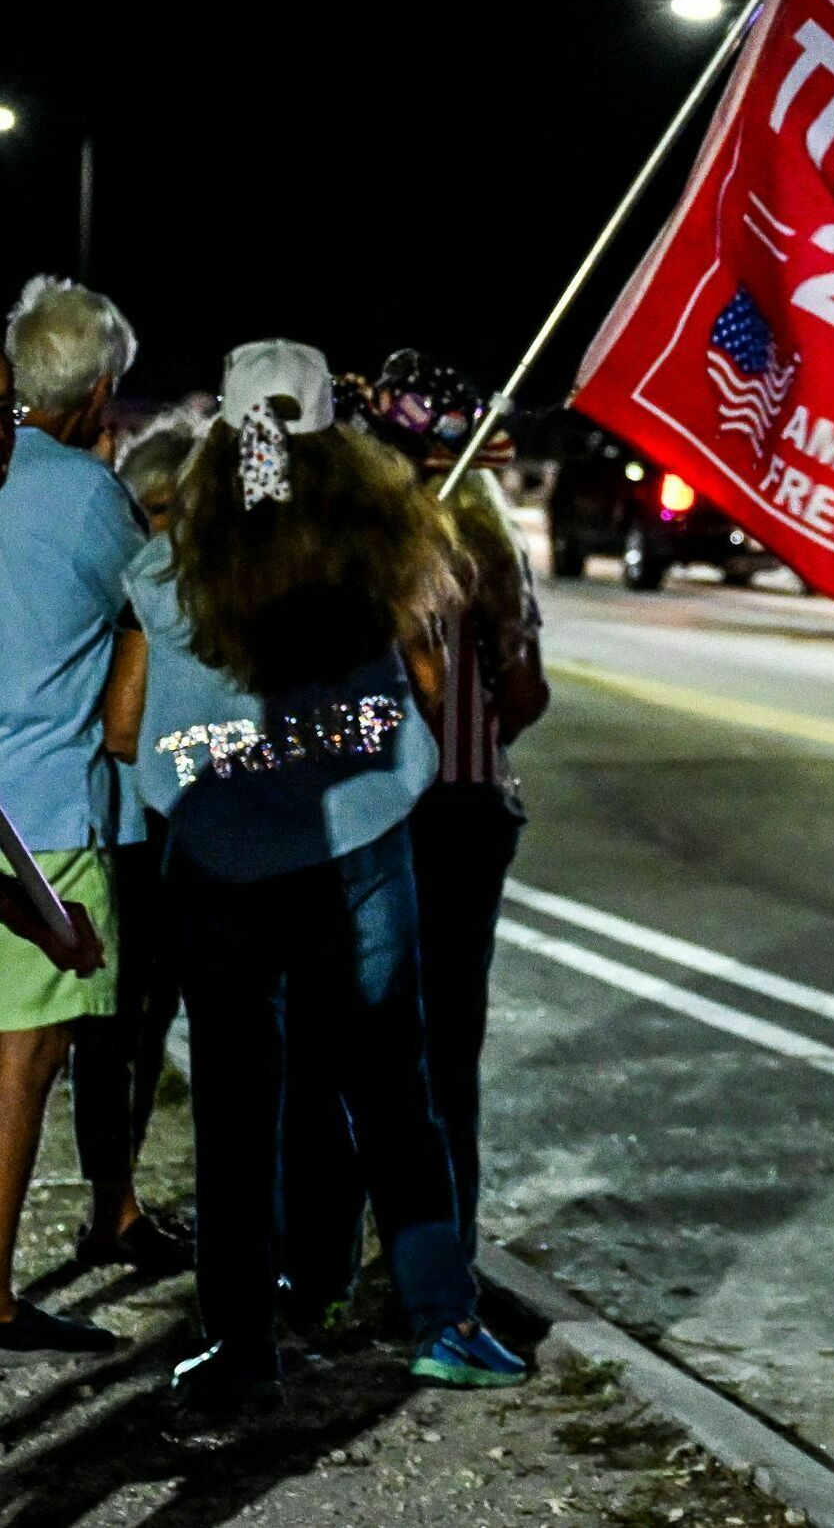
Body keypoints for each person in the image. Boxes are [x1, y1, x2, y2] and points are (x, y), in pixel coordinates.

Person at [120, 340, 526, 1418]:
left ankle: (245, 1341)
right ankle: (444, 1317)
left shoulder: (168, 568)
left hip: (219, 861)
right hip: (358, 844)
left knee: (238, 1103)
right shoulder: (374, 553)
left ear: (221, 444)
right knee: (396, 1084)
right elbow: (434, 686)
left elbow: (133, 723)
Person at [280, 353, 550, 1311]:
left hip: (397, 812)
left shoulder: (382, 548)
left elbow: (417, 702)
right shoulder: (491, 542)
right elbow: (524, 695)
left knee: (353, 1045)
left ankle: (329, 1259)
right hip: (477, 813)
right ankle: (442, 1256)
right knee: (448, 1052)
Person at [0, 281, 148, 1355]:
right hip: (43, 813)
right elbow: (164, 611)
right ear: (101, 388)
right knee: (20, 1062)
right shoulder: (93, 499)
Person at [82, 410, 206, 1278]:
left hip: (165, 819)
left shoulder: (182, 589)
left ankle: (115, 1199)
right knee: (119, 1022)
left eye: (173, 512)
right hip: (131, 823)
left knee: (149, 1015)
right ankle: (112, 1201)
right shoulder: (134, 589)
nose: (158, 531)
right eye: (149, 511)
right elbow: (125, 727)